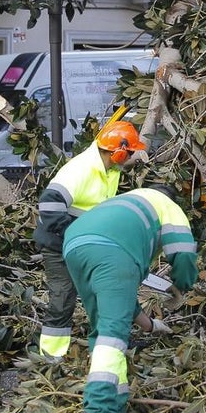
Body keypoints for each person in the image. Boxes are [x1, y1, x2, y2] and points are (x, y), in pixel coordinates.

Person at [63, 185, 198, 413]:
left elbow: (124, 304)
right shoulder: (169, 207)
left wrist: (152, 326)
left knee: (103, 327)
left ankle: (117, 406)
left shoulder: (126, 204)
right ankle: (99, 409)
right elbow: (183, 255)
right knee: (113, 334)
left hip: (75, 244)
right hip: (113, 250)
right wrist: (183, 287)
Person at [34, 121, 162, 362]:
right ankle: (50, 358)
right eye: (129, 153)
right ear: (118, 152)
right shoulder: (82, 169)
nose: (130, 158)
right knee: (63, 297)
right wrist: (76, 233)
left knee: (105, 291)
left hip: (85, 244)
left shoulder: (110, 170)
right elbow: (48, 205)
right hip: (58, 243)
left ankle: (107, 345)